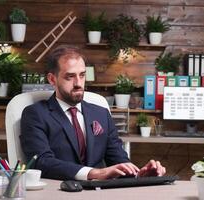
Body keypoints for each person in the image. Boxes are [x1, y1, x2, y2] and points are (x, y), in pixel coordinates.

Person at [20, 45, 166, 180]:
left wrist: (139, 174)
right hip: (58, 193)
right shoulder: (35, 114)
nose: (78, 83)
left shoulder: (101, 114)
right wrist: (94, 173)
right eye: (70, 77)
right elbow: (41, 162)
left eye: (82, 75)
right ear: (52, 79)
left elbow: (118, 160)